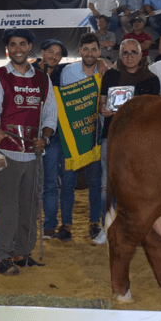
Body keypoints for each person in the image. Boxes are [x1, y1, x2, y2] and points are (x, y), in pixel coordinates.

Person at [0, 28, 57, 275]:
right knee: (7, 208)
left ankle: (22, 253)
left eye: (22, 44)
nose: (18, 48)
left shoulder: (43, 79)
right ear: (8, 49)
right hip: (7, 154)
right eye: (13, 44)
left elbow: (50, 115)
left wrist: (45, 139)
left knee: (30, 207)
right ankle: (3, 257)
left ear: (29, 48)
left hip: (34, 156)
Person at [95, 38, 161, 245]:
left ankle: (137, 229)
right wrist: (102, 109)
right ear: (120, 55)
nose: (130, 56)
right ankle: (107, 228)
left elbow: (156, 111)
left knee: (139, 187)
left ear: (141, 55)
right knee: (107, 185)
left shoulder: (152, 79)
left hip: (141, 142)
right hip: (112, 136)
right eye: (125, 53)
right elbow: (102, 102)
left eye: (134, 52)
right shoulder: (111, 75)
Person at [57, 33, 107, 243]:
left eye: (93, 49)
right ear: (80, 51)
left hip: (95, 133)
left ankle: (94, 224)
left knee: (95, 182)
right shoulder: (68, 72)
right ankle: (66, 225)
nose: (89, 53)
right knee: (67, 182)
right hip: (73, 136)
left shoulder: (106, 71)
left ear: (99, 51)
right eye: (85, 49)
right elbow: (67, 103)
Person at [36, 39, 73, 242]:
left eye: (58, 54)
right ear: (42, 51)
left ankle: (65, 225)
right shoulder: (28, 71)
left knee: (67, 183)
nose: (54, 56)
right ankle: (49, 225)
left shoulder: (64, 73)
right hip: (40, 137)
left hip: (64, 135)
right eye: (51, 51)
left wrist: (103, 62)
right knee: (49, 183)